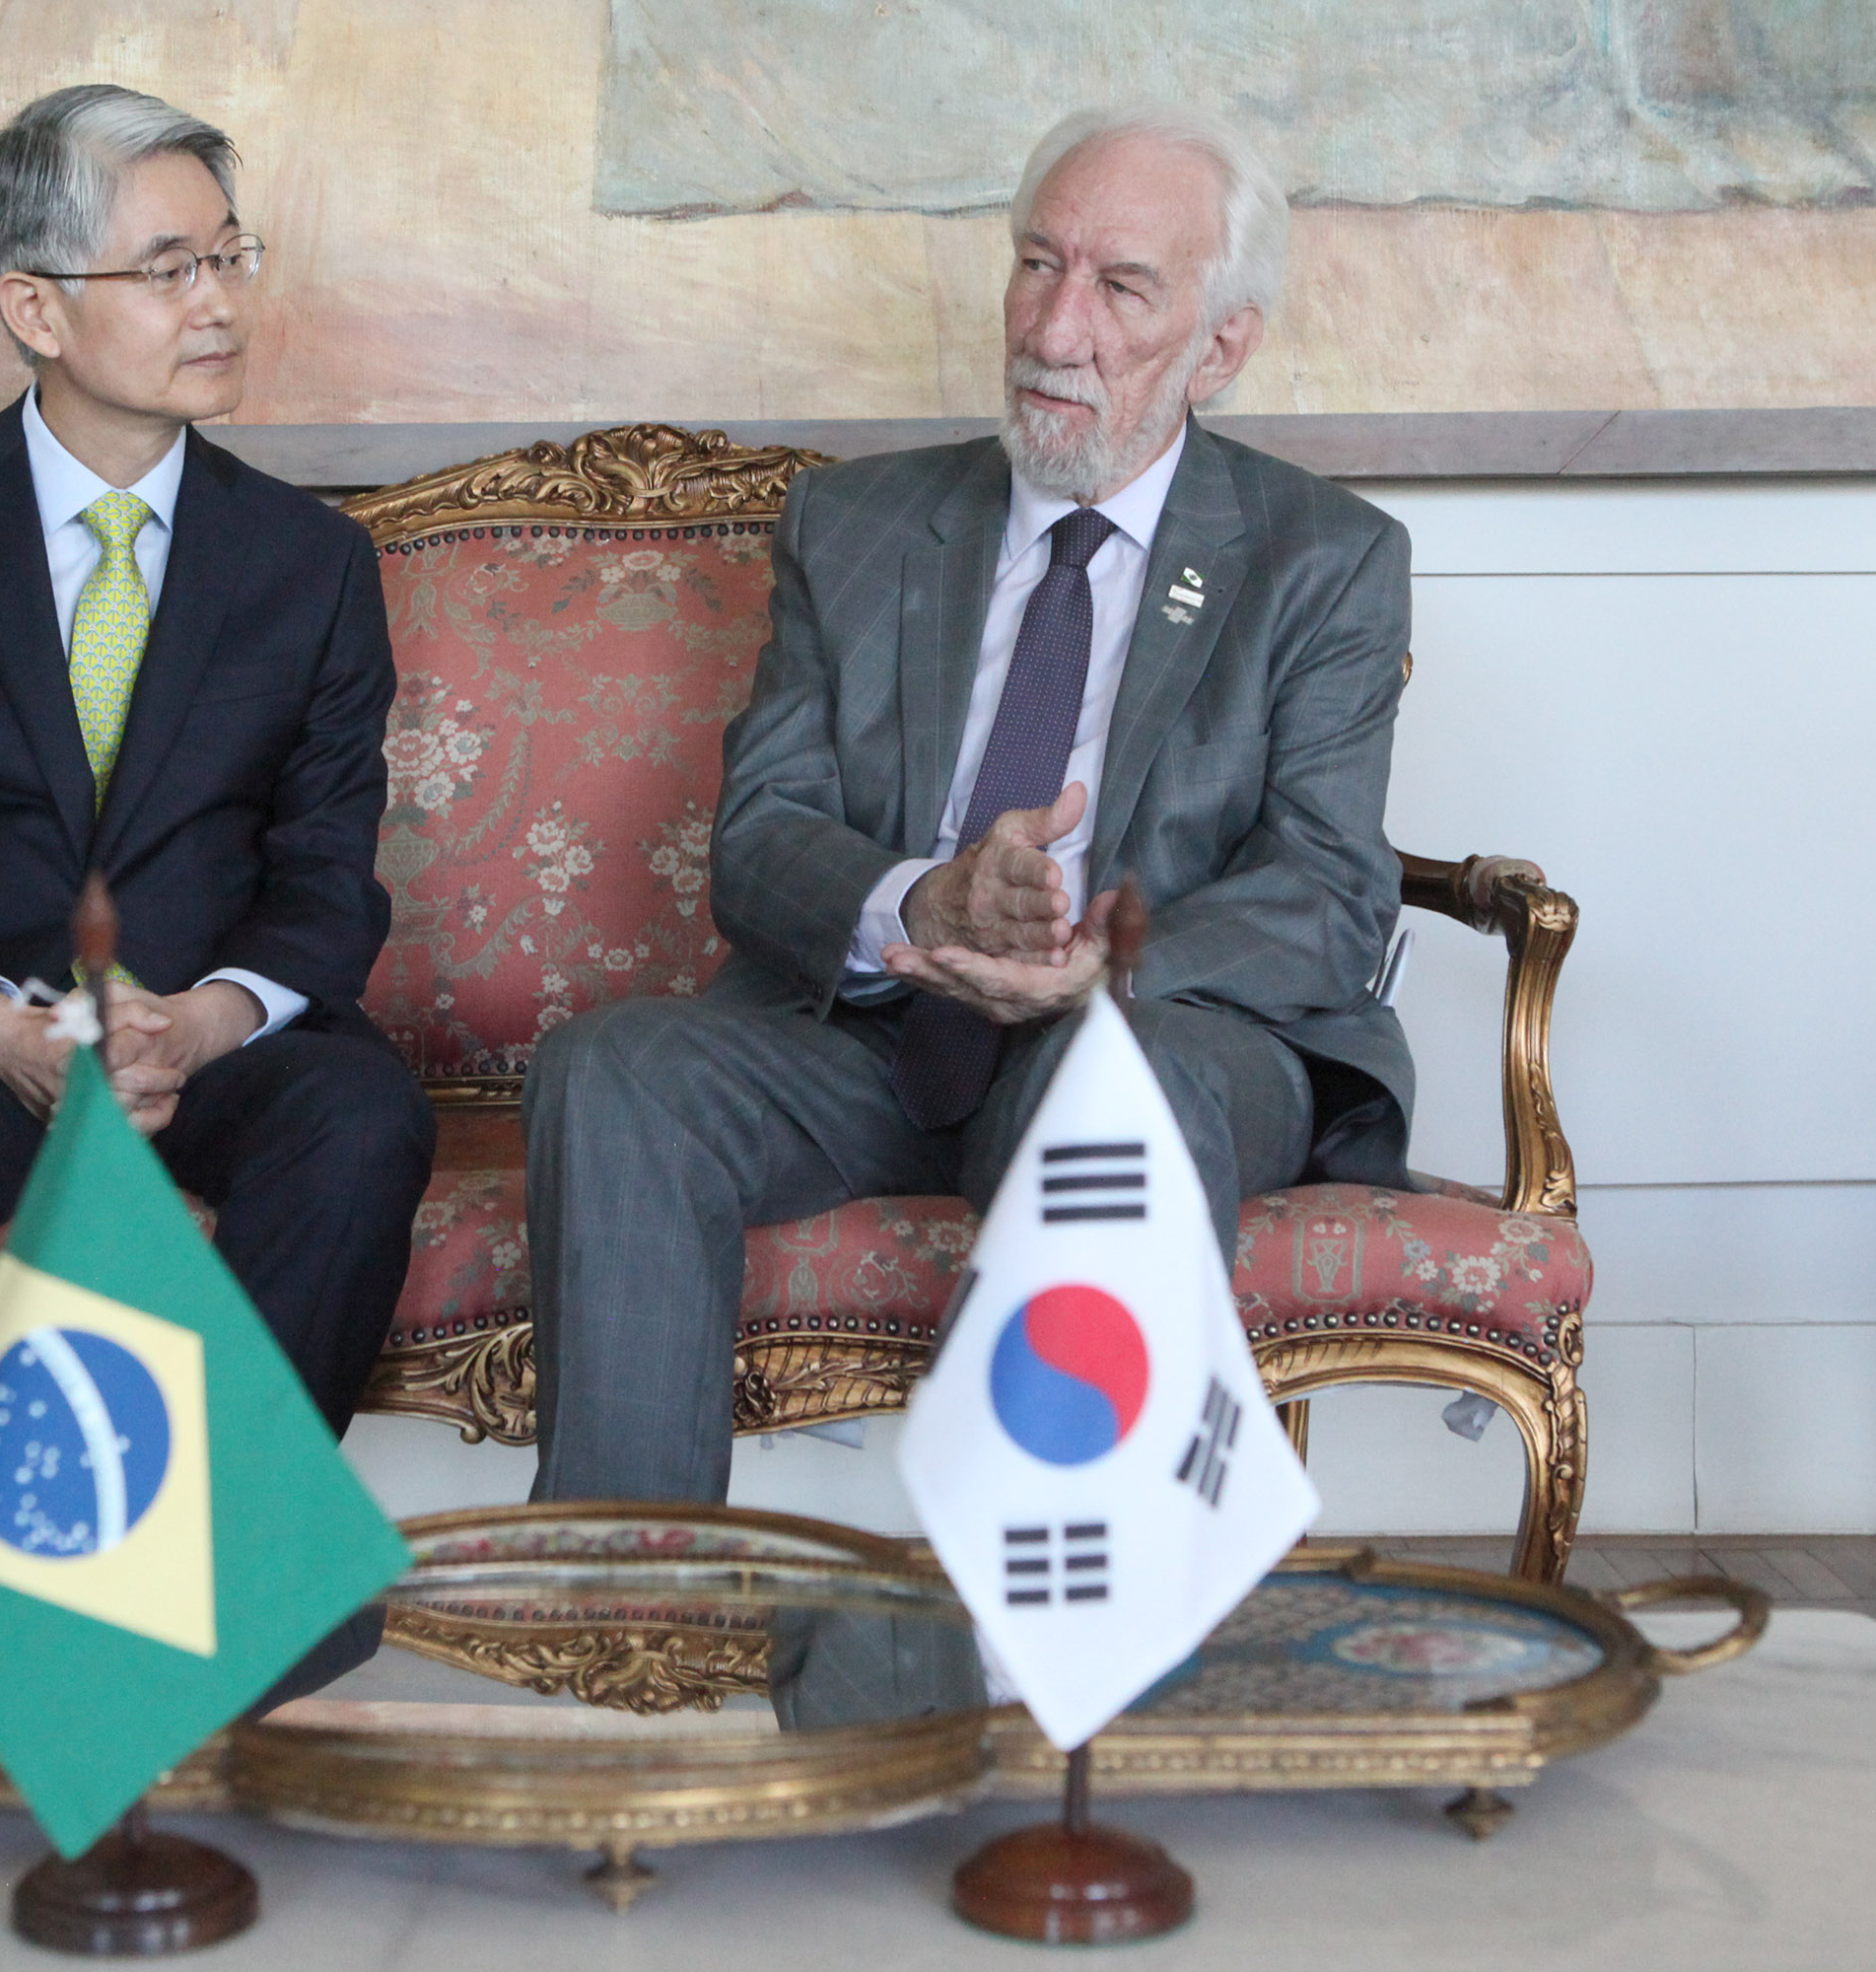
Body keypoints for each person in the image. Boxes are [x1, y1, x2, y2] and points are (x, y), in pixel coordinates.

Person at [525, 103, 1414, 1506]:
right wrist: (923, 902)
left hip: (1160, 1035)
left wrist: (1102, 960)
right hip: (881, 1040)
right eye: (1038, 264)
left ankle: (1067, 1614)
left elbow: (1331, 888)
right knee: (615, 1068)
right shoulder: (857, 525)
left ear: (1220, 346)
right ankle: (628, 1592)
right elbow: (760, 838)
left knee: (1119, 1083)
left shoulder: (1323, 558)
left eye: (1122, 288)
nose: (1056, 330)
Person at [0, 85, 433, 1551]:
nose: (223, 302)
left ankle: (206, 1566)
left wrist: (201, 1021)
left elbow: (330, 879)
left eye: (231, 256)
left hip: (207, 1043)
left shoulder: (311, 560)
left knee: (359, 1116)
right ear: (36, 306)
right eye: (171, 267)